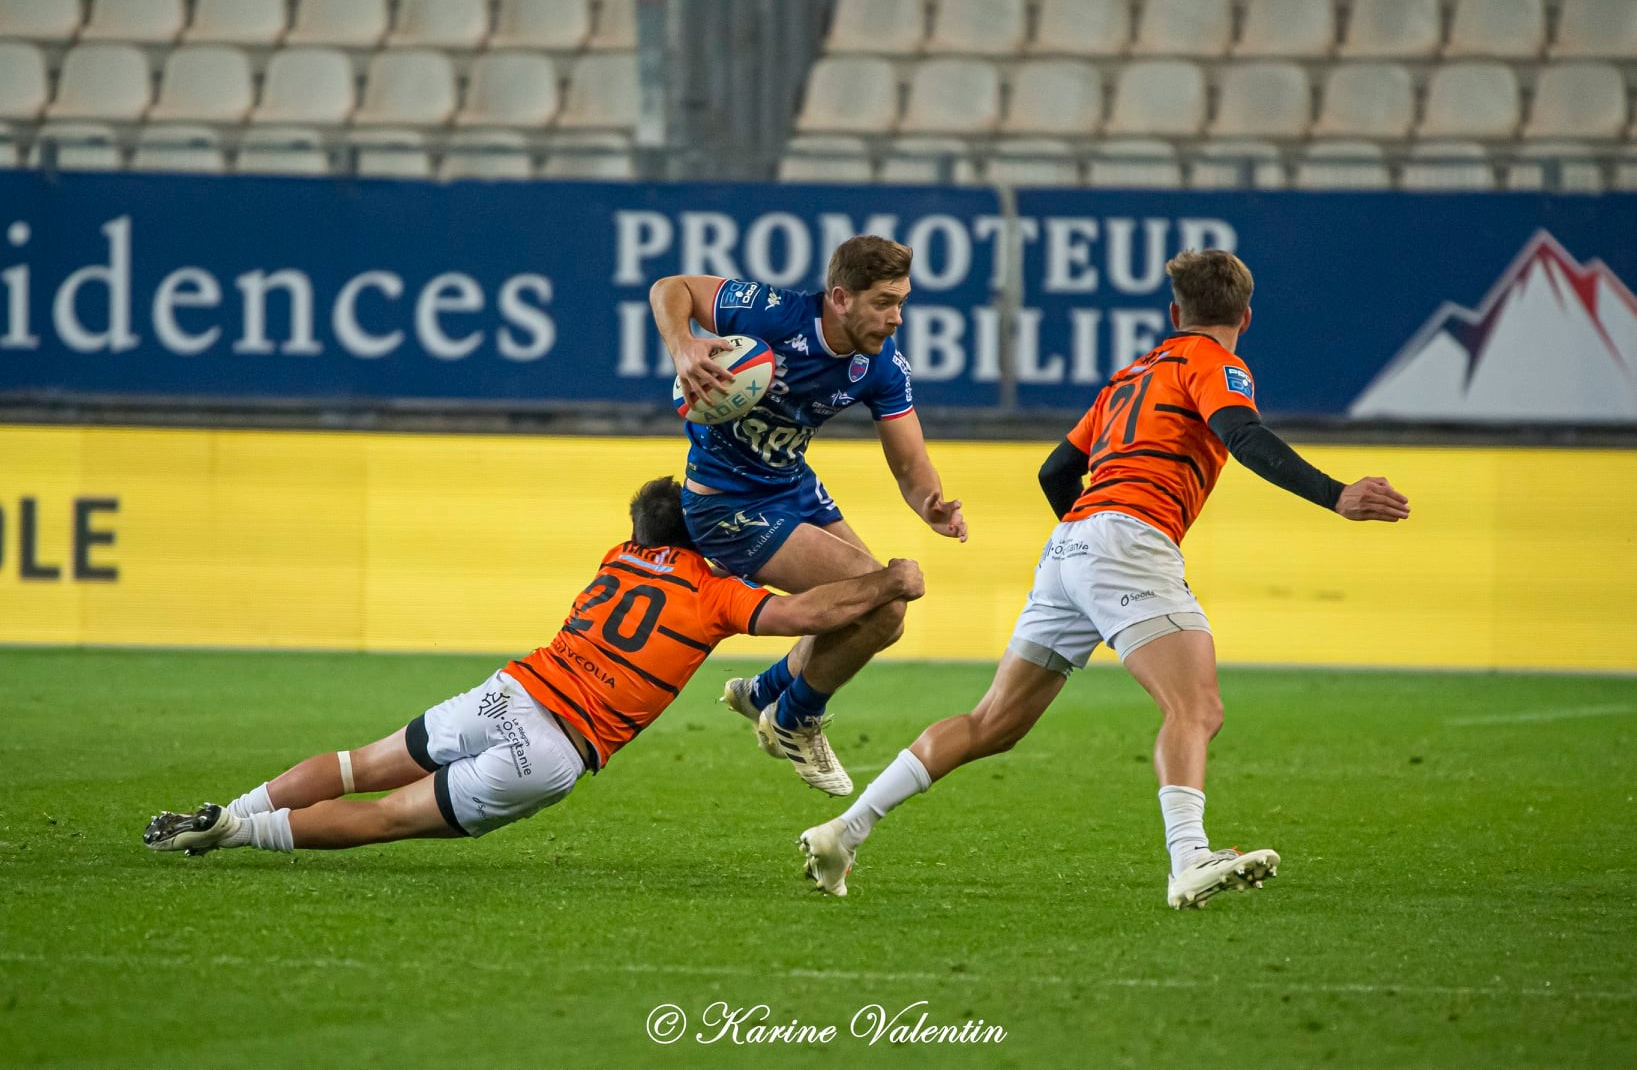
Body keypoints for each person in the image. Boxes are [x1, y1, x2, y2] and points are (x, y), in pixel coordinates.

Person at [798, 249, 1412, 909]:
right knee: (1196, 707)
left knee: (992, 723)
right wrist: (1336, 493)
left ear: (1175, 313)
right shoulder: (1216, 364)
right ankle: (1187, 858)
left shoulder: (1127, 377)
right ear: (1245, 317)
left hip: (1070, 545)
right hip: (1125, 539)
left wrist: (1088, 548)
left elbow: (1055, 472)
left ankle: (844, 829)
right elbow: (1241, 433)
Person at [143, 477, 924, 857]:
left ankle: (231, 806)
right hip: (552, 747)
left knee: (358, 764)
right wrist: (885, 580)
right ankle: (239, 833)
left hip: (509, 691)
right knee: (388, 816)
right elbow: (803, 613)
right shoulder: (713, 590)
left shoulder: (617, 559)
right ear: (701, 535)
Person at [649, 235, 966, 798]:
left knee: (881, 615)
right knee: (885, 601)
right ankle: (793, 718)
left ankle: (766, 692)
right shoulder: (773, 313)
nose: (897, 317)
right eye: (884, 302)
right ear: (841, 297)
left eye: (903, 302)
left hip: (792, 486)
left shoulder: (882, 366)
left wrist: (931, 504)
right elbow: (669, 288)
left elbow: (910, 464)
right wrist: (684, 346)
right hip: (726, 502)